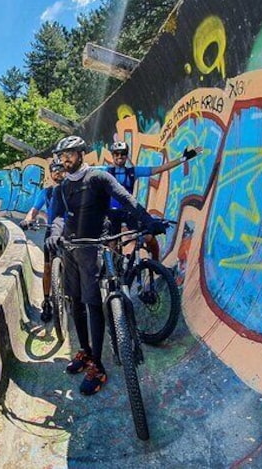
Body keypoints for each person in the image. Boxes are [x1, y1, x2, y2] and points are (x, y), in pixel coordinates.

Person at [46, 135, 168, 396]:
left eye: (69, 154)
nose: (65, 160)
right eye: (62, 156)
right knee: (75, 303)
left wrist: (147, 220)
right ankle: (85, 352)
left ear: (81, 154)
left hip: (93, 249)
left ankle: (98, 365)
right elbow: (58, 216)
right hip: (70, 249)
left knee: (92, 305)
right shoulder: (63, 187)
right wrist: (55, 234)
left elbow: (125, 199)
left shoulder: (99, 178)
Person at [101, 141, 202, 259]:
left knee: (149, 237)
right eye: (116, 154)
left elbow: (159, 169)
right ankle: (112, 272)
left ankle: (156, 265)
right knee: (112, 244)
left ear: (126, 155)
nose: (119, 156)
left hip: (129, 211)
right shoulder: (105, 171)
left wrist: (183, 159)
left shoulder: (133, 172)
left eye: (122, 154)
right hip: (112, 213)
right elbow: (84, 171)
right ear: (112, 156)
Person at [19, 161, 66, 323]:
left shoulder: (72, 189)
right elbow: (34, 209)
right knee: (47, 267)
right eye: (55, 171)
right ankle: (47, 301)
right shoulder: (46, 192)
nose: (58, 174)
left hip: (71, 231)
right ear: (51, 175)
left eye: (61, 170)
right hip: (52, 230)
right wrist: (27, 220)